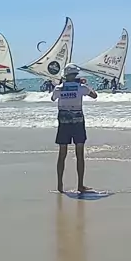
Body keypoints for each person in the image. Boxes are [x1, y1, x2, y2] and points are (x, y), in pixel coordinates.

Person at [51, 63, 97, 193]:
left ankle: (60, 185)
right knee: (79, 154)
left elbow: (53, 98)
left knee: (62, 154)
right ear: (76, 74)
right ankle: (80, 185)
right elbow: (94, 95)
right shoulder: (81, 87)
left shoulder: (59, 88)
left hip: (63, 122)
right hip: (77, 122)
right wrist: (84, 84)